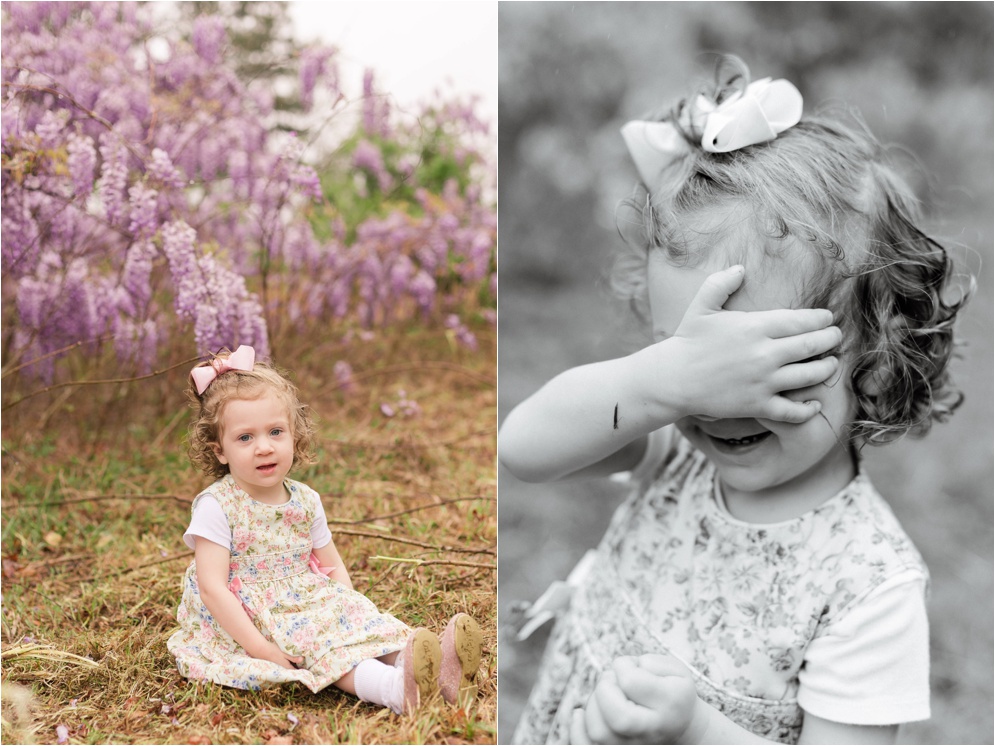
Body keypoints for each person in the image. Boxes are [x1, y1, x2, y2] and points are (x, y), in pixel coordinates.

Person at [500, 56, 968, 744]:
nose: (720, 402)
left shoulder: (867, 585)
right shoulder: (673, 451)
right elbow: (521, 448)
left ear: (876, 353)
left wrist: (691, 730)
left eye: (777, 365)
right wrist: (661, 381)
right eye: (697, 357)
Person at [166, 346, 483, 714]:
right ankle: (396, 690)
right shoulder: (217, 505)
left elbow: (331, 564)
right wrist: (262, 649)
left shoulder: (305, 499)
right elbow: (212, 588)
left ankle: (439, 670)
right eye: (245, 438)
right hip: (250, 613)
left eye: (275, 432)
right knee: (322, 648)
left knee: (361, 630)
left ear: (294, 435)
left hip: (308, 595)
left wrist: (349, 614)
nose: (264, 447)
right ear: (219, 450)